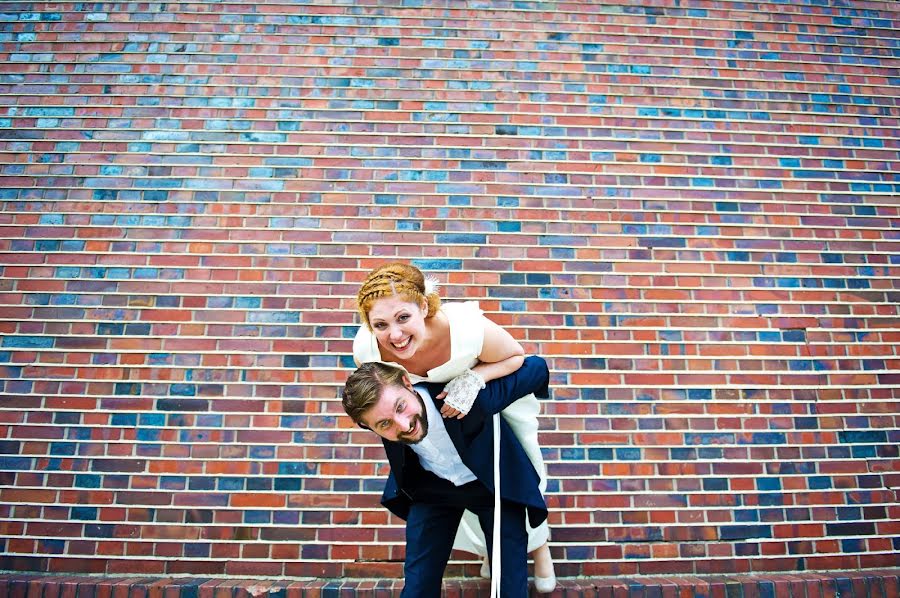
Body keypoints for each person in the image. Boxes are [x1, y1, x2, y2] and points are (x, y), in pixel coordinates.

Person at [352, 262, 556, 592]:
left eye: (403, 317)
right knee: (418, 582)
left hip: (484, 457)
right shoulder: (367, 351)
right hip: (433, 479)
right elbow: (382, 397)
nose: (395, 335)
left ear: (422, 306)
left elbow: (521, 360)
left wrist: (476, 379)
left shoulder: (467, 330)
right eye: (381, 324)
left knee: (513, 554)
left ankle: (539, 549)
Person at [341, 355, 551, 596]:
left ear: (407, 384)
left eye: (400, 407)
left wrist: (476, 378)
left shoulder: (467, 398)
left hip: (493, 486)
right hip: (432, 490)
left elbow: (537, 367)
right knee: (418, 585)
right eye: (384, 424)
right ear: (370, 427)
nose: (403, 424)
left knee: (509, 584)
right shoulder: (383, 415)